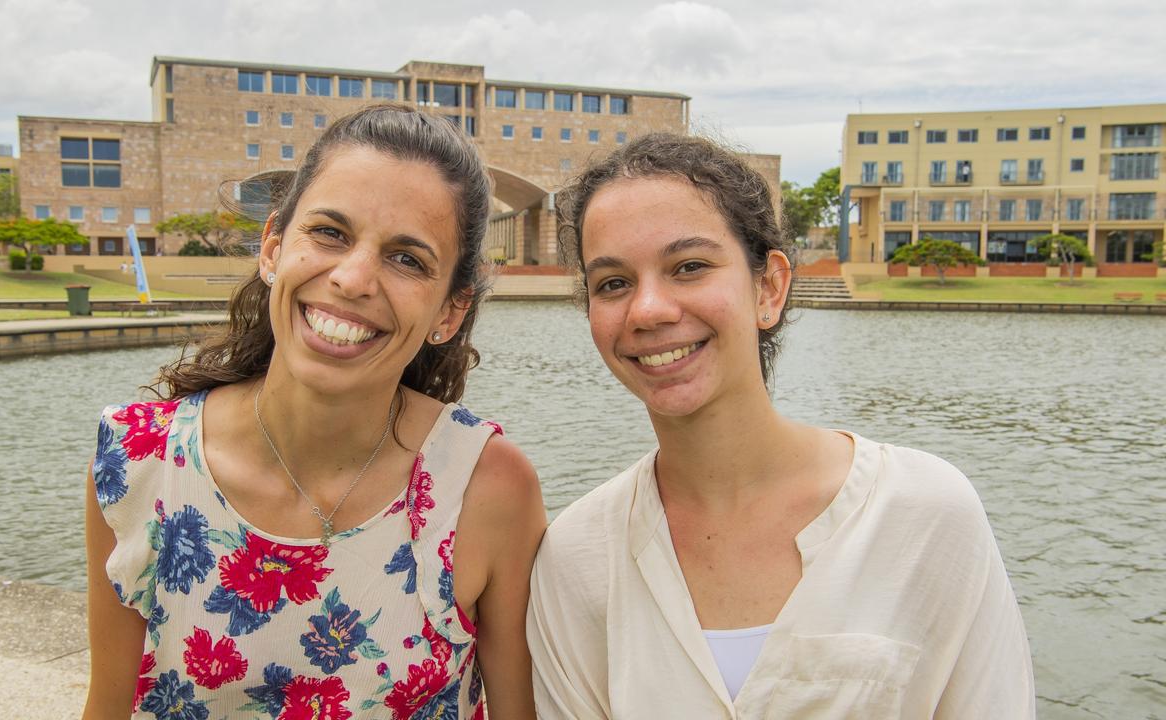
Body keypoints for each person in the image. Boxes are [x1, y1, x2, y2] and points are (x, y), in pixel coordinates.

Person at [526, 134, 1034, 719]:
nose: (648, 310)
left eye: (689, 267)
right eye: (613, 283)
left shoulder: (923, 512)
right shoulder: (576, 559)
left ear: (768, 287)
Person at [84, 105, 546, 719]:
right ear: (273, 247)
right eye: (330, 233)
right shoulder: (138, 462)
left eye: (407, 258)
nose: (354, 279)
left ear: (450, 311)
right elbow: (108, 707)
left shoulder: (486, 487)